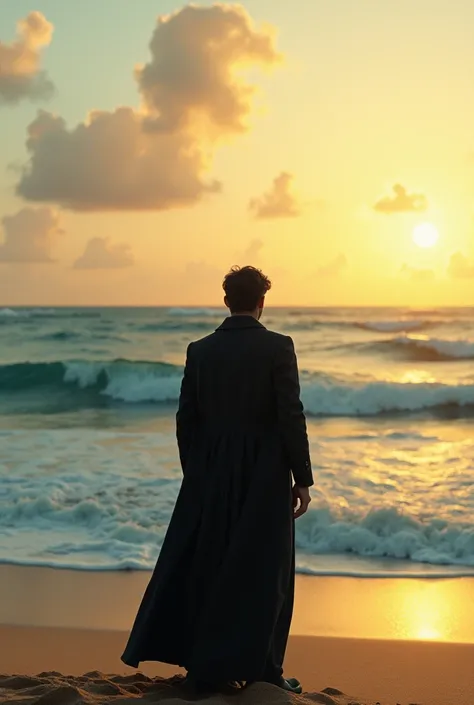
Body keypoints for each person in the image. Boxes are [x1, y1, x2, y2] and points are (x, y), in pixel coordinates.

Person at [121, 266, 313, 693]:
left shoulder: (200, 350)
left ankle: (203, 666)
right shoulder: (279, 347)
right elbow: (290, 416)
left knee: (207, 565)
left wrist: (198, 472)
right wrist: (303, 478)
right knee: (267, 572)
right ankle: (266, 669)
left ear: (227, 301)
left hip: (209, 472)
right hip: (264, 475)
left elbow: (185, 418)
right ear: (262, 302)